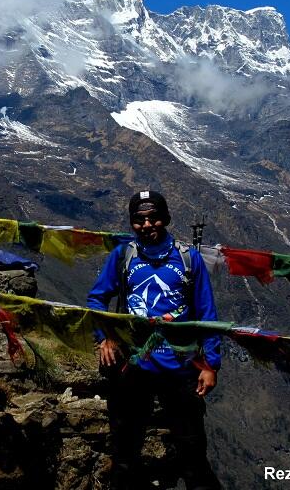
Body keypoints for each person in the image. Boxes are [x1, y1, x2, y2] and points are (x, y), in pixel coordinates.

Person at [87, 190, 221, 490]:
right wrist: (104, 337)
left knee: (194, 458)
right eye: (139, 220)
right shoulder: (123, 256)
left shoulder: (189, 259)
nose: (148, 225)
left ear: (167, 219)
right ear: (132, 223)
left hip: (182, 370)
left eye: (154, 218)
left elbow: (207, 315)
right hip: (132, 369)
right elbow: (96, 299)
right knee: (124, 454)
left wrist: (211, 364)